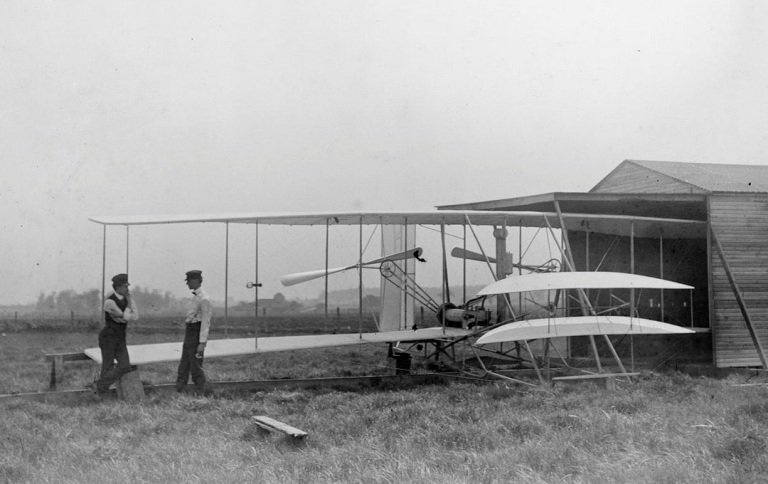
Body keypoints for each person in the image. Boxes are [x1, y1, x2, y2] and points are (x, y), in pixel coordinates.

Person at [91, 273, 139, 394]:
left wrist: (126, 313)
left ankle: (99, 386)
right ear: (117, 287)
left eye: (127, 286)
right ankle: (101, 393)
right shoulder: (109, 302)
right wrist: (128, 308)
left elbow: (135, 316)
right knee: (108, 366)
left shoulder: (128, 299)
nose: (127, 289)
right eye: (124, 286)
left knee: (125, 365)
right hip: (108, 336)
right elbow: (123, 318)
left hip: (120, 337)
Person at [176, 269, 213, 393]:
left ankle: (201, 393)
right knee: (184, 365)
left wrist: (202, 342)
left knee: (196, 366)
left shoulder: (204, 299)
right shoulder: (196, 297)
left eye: (189, 281)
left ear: (197, 280)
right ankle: (179, 391)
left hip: (196, 333)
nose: (188, 284)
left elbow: (205, 322)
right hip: (190, 332)